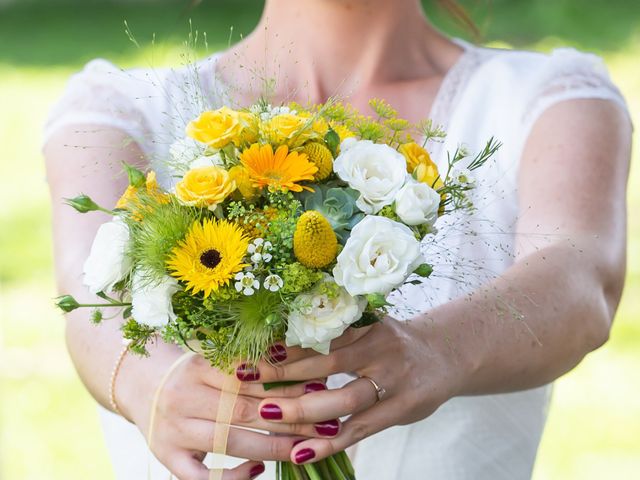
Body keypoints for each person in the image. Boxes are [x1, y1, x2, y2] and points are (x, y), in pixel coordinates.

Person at [43, 0, 632, 479]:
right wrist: (152, 382)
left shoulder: (547, 100)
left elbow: (579, 277)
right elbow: (87, 294)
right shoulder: (122, 109)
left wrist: (436, 350)